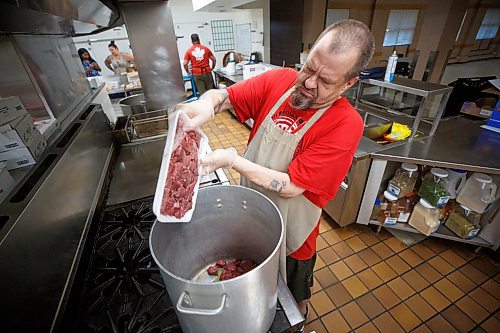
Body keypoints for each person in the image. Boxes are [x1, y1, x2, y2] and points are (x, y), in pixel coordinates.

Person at [177, 19, 375, 327]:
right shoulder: (281, 79)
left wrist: (231, 160)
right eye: (309, 68)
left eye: (325, 80)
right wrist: (206, 104)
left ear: (348, 83)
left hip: (293, 237)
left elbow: (292, 185)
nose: (309, 83)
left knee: (294, 300)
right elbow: (225, 96)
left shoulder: (345, 123)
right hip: (251, 218)